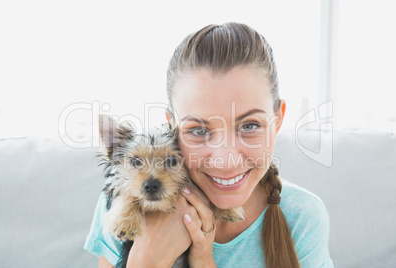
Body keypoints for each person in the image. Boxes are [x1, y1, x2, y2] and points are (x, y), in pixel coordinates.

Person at [85, 22, 333, 268]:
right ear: (173, 128)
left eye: (249, 126)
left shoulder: (302, 218)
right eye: (199, 130)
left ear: (277, 120)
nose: (225, 160)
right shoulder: (124, 199)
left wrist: (203, 261)